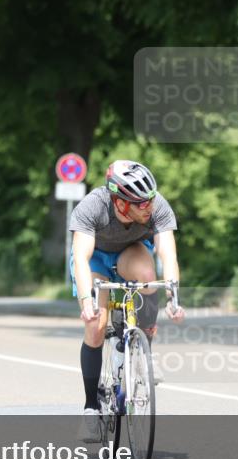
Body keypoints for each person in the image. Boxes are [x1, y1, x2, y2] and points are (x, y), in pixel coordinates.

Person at [69, 160, 185, 439]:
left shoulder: (157, 206)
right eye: (141, 203)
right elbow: (81, 258)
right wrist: (87, 301)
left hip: (130, 252)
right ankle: (91, 407)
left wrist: (173, 298)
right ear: (120, 203)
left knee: (148, 275)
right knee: (96, 324)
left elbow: (168, 254)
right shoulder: (92, 206)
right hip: (95, 259)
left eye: (150, 200)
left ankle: (143, 353)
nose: (148, 207)